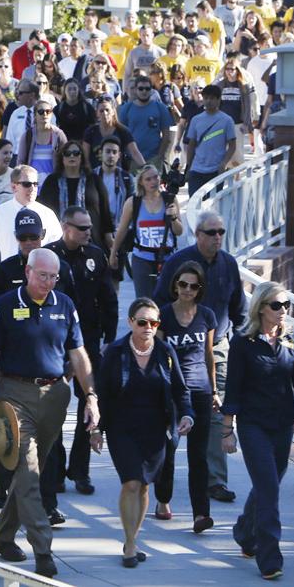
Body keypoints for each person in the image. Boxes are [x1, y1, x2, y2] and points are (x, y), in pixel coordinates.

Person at [0, 248, 100, 579]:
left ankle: (3, 537)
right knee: (30, 471)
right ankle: (43, 550)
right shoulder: (5, 304)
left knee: (31, 470)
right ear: (28, 272)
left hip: (55, 395)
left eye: (53, 277)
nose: (48, 282)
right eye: (42, 275)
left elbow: (78, 354)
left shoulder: (65, 305)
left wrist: (91, 396)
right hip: (14, 394)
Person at [221, 281, 294, 580]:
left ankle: (244, 532)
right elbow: (233, 388)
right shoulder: (243, 342)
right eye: (277, 305)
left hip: (282, 424)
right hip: (253, 425)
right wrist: (227, 430)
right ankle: (270, 558)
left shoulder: (291, 340)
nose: (283, 310)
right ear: (261, 308)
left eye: (286, 305)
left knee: (269, 484)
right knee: (269, 489)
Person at [152, 210, 245, 504]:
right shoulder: (178, 263)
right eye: (211, 232)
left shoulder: (229, 264)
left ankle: (215, 481)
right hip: (178, 346)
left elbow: (239, 309)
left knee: (215, 412)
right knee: (170, 412)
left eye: (221, 232)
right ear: (198, 234)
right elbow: (158, 303)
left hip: (215, 346)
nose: (218, 237)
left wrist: (241, 344)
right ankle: (161, 477)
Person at [97, 297, 193, 567]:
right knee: (131, 482)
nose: (148, 327)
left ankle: (133, 539)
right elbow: (103, 394)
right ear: (130, 322)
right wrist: (96, 430)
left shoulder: (165, 352)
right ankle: (130, 545)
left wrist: (187, 415)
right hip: (122, 428)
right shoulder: (115, 352)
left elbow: (180, 389)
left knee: (143, 485)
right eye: (142, 322)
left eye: (153, 323)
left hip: (155, 429)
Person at [46, 206, 118, 495]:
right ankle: (55, 470)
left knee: (90, 404)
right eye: (83, 228)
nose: (89, 232)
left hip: (88, 340)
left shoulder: (96, 256)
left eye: (90, 227)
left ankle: (80, 469)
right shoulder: (51, 256)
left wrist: (109, 336)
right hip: (56, 341)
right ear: (66, 228)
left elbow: (108, 297)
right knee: (53, 407)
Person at [154, 261, 217, 532]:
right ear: (175, 285)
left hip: (201, 391)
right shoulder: (163, 315)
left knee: (199, 456)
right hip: (172, 392)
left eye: (193, 286)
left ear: (200, 289)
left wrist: (214, 391)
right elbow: (158, 356)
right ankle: (163, 499)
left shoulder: (207, 316)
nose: (187, 290)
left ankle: (201, 514)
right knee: (169, 450)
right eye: (183, 284)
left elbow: (209, 355)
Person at [108, 165, 182, 300]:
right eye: (148, 179)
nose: (153, 182)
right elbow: (122, 230)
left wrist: (174, 218)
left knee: (168, 300)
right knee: (144, 301)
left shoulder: (170, 199)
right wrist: (113, 253)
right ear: (141, 182)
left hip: (167, 257)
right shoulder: (133, 202)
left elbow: (179, 231)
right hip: (142, 258)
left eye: (155, 177)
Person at [38, 142, 114, 249]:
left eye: (76, 153)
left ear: (81, 157)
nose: (72, 156)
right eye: (67, 153)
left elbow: (105, 210)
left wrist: (109, 238)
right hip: (58, 240)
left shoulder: (94, 179)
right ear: (62, 157)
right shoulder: (51, 181)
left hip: (91, 239)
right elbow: (42, 210)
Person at [0, 166, 62, 263]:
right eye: (27, 184)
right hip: (7, 270)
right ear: (14, 187)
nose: (32, 188)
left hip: (40, 270)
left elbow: (57, 246)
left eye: (35, 184)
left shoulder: (48, 214)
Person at [184, 84, 238, 197]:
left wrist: (223, 163)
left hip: (215, 171)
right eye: (206, 98)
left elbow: (232, 145)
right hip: (196, 170)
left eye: (212, 98)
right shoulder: (196, 120)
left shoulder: (227, 120)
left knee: (212, 204)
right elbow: (191, 145)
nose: (208, 101)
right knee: (194, 202)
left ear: (218, 100)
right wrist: (188, 167)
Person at [118, 75, 176, 167]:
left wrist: (159, 157)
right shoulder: (127, 108)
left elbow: (166, 136)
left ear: (151, 90)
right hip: (132, 159)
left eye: (147, 89)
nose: (144, 91)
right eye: (141, 89)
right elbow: (121, 134)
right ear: (135, 90)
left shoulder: (160, 107)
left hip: (153, 158)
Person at [214, 55, 258, 166]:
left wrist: (246, 123)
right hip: (222, 124)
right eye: (227, 69)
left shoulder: (243, 86)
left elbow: (247, 106)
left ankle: (237, 175)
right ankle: (225, 173)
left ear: (237, 70)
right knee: (223, 151)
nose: (229, 72)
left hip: (238, 123)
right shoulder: (220, 85)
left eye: (232, 69)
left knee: (238, 152)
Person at [16, 98, 66, 186]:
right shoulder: (27, 136)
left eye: (48, 111)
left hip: (53, 184)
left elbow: (66, 159)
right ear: (35, 115)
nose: (45, 114)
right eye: (41, 112)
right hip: (32, 185)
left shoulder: (58, 135)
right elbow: (21, 161)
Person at [92, 137, 134, 236]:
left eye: (114, 152)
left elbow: (132, 205)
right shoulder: (91, 176)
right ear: (100, 153)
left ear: (119, 155)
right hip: (96, 229)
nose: (111, 155)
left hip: (120, 229)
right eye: (107, 151)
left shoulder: (126, 178)